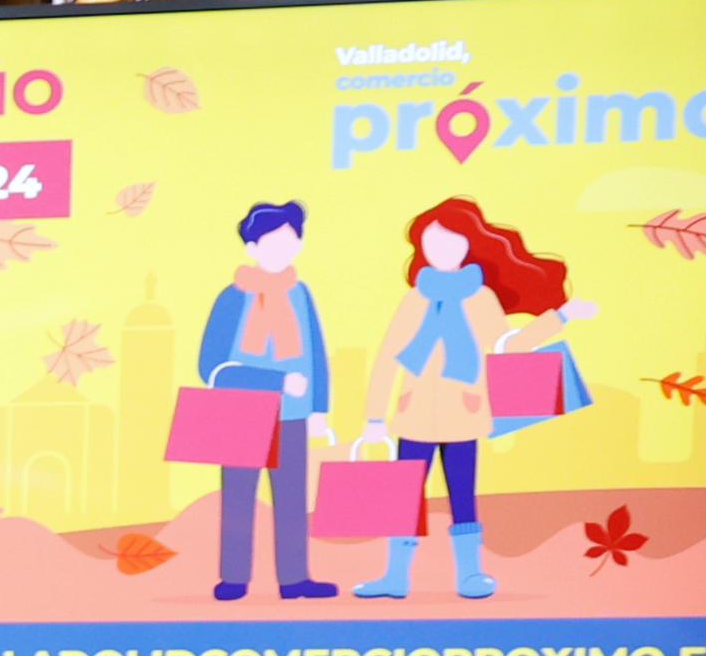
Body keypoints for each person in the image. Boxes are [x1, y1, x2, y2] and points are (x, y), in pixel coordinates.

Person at [364, 199, 594, 603]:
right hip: (414, 413)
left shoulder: (480, 298)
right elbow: (389, 355)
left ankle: (470, 574)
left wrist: (560, 318)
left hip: (463, 413)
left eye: (451, 241)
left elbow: (506, 346)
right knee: (404, 498)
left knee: (463, 497)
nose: (440, 249)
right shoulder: (416, 298)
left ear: (469, 244)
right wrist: (373, 418)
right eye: (432, 241)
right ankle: (395, 576)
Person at [192, 201, 340, 605]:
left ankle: (295, 579)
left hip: (293, 415)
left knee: (292, 499)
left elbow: (315, 354)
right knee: (239, 498)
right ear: (252, 248)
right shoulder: (232, 298)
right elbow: (211, 367)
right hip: (240, 413)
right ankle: (234, 578)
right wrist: (276, 382)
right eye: (272, 243)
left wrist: (319, 410)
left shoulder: (301, 295)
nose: (282, 250)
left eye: (290, 242)